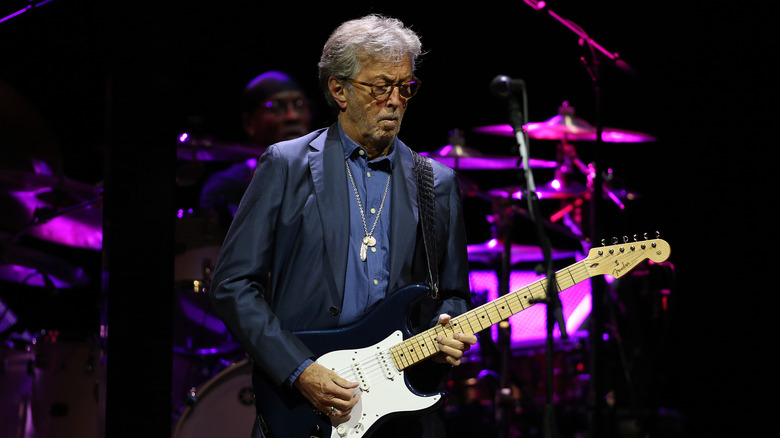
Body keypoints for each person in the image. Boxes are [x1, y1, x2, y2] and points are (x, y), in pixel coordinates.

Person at [209, 14, 477, 438]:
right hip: (302, 406)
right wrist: (299, 370)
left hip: (400, 412)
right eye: (379, 87)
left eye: (405, 86)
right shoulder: (286, 165)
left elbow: (454, 292)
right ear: (339, 90)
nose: (395, 100)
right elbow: (231, 284)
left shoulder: (436, 183)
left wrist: (449, 324)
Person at [198, 70, 312, 221]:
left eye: (299, 105)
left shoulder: (329, 170)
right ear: (249, 123)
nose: (293, 116)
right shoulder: (226, 187)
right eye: (275, 107)